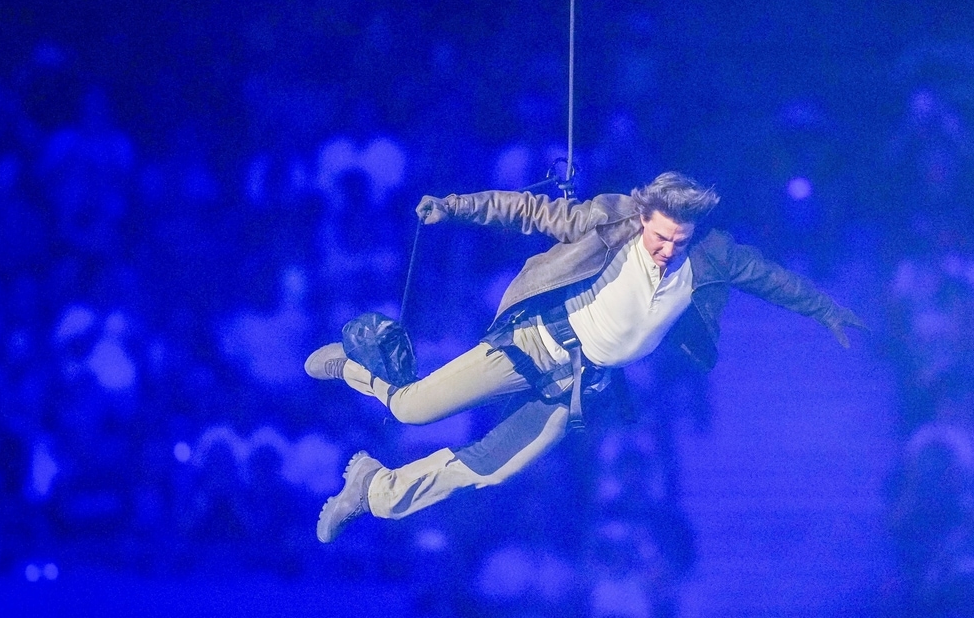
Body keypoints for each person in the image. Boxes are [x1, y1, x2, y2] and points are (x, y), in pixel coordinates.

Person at [305, 171, 864, 542]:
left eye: (680, 241)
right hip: (531, 346)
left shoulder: (708, 259)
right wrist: (455, 206)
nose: (668, 251)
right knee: (410, 409)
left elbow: (770, 278)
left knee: (492, 468)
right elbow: (528, 210)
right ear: (644, 218)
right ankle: (349, 366)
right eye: (661, 238)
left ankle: (374, 490)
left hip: (575, 383)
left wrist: (827, 311)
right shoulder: (612, 223)